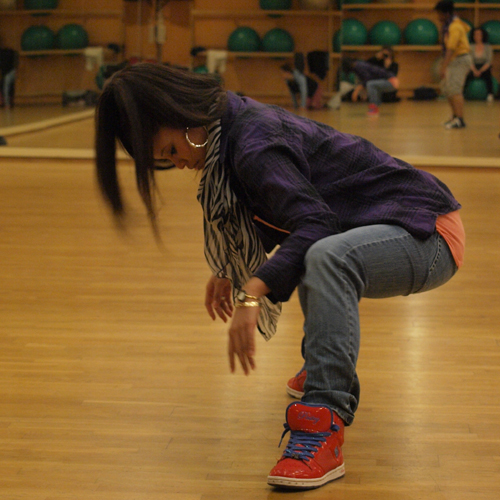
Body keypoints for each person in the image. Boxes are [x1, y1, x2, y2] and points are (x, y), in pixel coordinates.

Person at [95, 63, 465, 490]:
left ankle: (323, 422)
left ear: (185, 121)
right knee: (316, 253)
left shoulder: (253, 141)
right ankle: (325, 362)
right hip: (391, 225)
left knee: (326, 255)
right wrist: (227, 269)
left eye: (172, 151)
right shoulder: (230, 127)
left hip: (427, 232)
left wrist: (252, 292)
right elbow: (281, 212)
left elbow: (315, 224)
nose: (178, 165)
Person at [435, 0, 472, 129]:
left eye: (439, 14)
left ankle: (460, 119)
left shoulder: (455, 26)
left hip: (460, 59)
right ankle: (455, 117)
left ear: (446, 13)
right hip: (454, 60)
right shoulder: (448, 25)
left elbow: (451, 48)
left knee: (455, 90)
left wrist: (443, 67)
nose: (438, 17)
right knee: (448, 89)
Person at [466, 27, 495, 103]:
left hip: (484, 67)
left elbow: (488, 61)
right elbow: (469, 60)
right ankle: (463, 94)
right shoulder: (470, 47)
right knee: (466, 76)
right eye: (475, 35)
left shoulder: (488, 47)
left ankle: (490, 94)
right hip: (473, 66)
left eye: (479, 34)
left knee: (488, 76)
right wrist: (474, 70)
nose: (477, 36)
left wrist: (480, 71)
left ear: (483, 35)